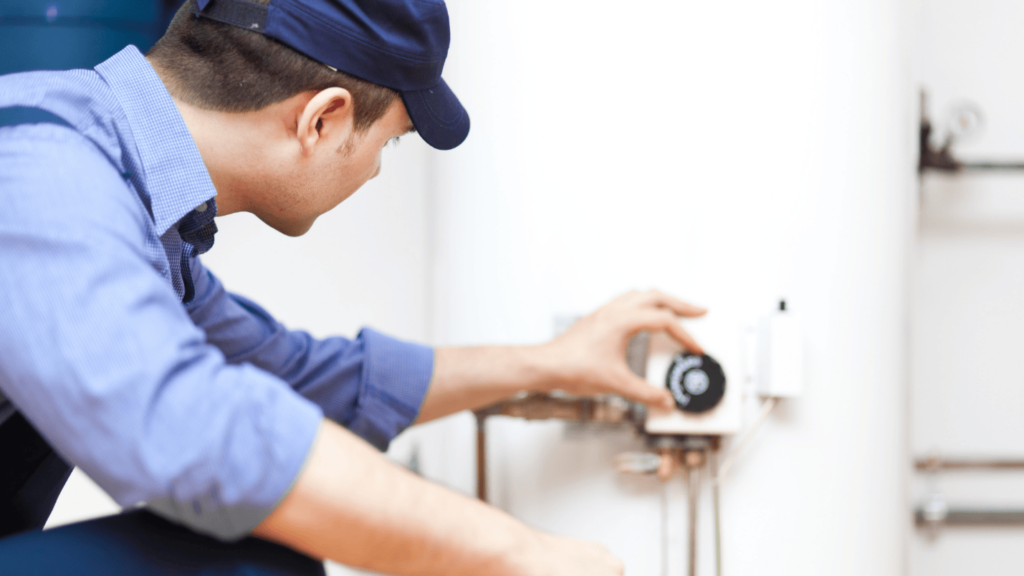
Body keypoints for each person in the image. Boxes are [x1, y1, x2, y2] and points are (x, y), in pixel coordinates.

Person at [0, 0, 706, 574]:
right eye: (389, 142)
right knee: (252, 560)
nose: (374, 171)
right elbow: (195, 432)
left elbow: (300, 379)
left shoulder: (139, 206)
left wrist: (550, 362)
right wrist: (521, 554)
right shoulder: (44, 170)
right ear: (323, 119)